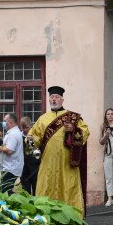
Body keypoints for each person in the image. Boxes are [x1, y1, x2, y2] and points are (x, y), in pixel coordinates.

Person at [28, 86, 90, 215]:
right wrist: (30, 139)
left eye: (56, 97)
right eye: (51, 97)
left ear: (62, 100)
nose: (53, 99)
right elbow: (35, 137)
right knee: (46, 186)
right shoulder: (42, 119)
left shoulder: (73, 117)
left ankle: (71, 216)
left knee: (68, 186)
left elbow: (85, 133)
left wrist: (73, 130)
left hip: (67, 161)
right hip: (48, 161)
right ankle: (45, 215)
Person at [0, 113, 24, 194]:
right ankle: (12, 201)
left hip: (10, 168)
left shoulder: (13, 134)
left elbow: (9, 151)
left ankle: (14, 202)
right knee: (6, 190)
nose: (3, 123)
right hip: (9, 167)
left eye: (5, 121)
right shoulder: (12, 132)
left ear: (10, 122)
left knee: (6, 191)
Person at [19, 116, 40, 195]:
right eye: (23, 128)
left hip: (35, 165)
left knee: (36, 186)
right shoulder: (19, 136)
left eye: (27, 127)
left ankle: (36, 201)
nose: (25, 129)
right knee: (25, 187)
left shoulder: (35, 136)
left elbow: (39, 149)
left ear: (31, 126)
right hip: (23, 165)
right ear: (21, 127)